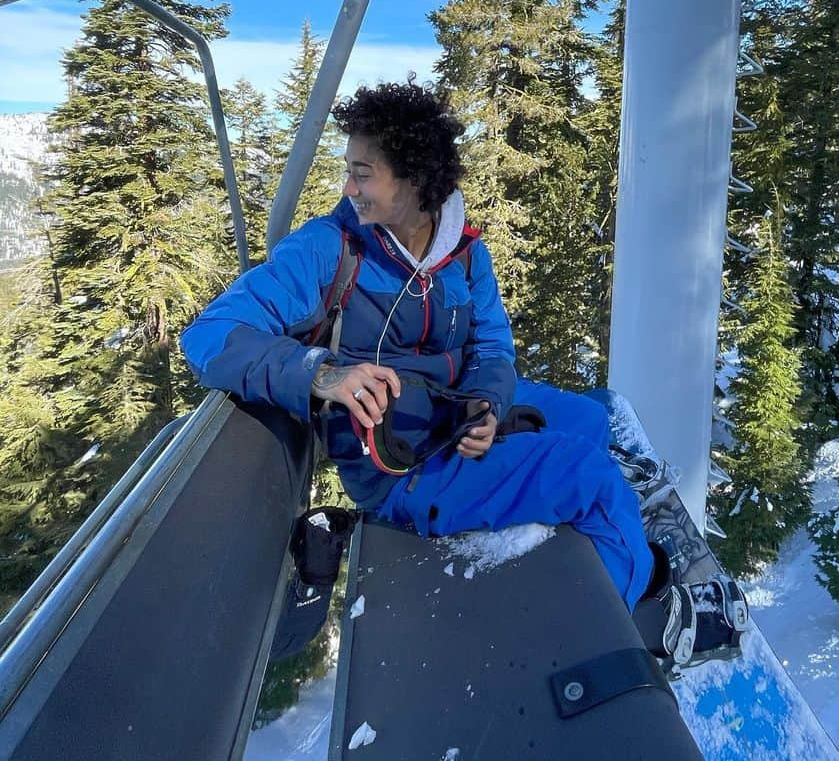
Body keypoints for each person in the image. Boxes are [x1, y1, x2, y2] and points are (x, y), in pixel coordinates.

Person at [180, 79, 730, 665]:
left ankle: (597, 518)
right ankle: (635, 624)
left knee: (591, 419)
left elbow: (493, 346)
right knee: (592, 480)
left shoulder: (463, 252)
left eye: (363, 173)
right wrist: (322, 375)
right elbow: (208, 336)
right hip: (403, 463)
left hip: (457, 413)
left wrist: (488, 404)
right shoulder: (330, 250)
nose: (349, 188)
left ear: (414, 179)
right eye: (350, 171)